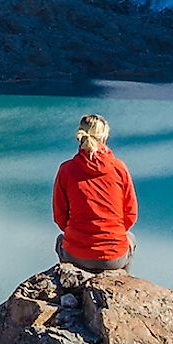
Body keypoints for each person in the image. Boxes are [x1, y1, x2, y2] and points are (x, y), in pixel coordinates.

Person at [53, 113, 136, 272]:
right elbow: (131, 213)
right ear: (104, 138)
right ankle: (122, 283)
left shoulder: (66, 170)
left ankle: (70, 289)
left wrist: (80, 236)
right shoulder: (119, 168)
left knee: (60, 241)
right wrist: (110, 234)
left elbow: (60, 216)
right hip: (114, 258)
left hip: (76, 255)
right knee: (130, 239)